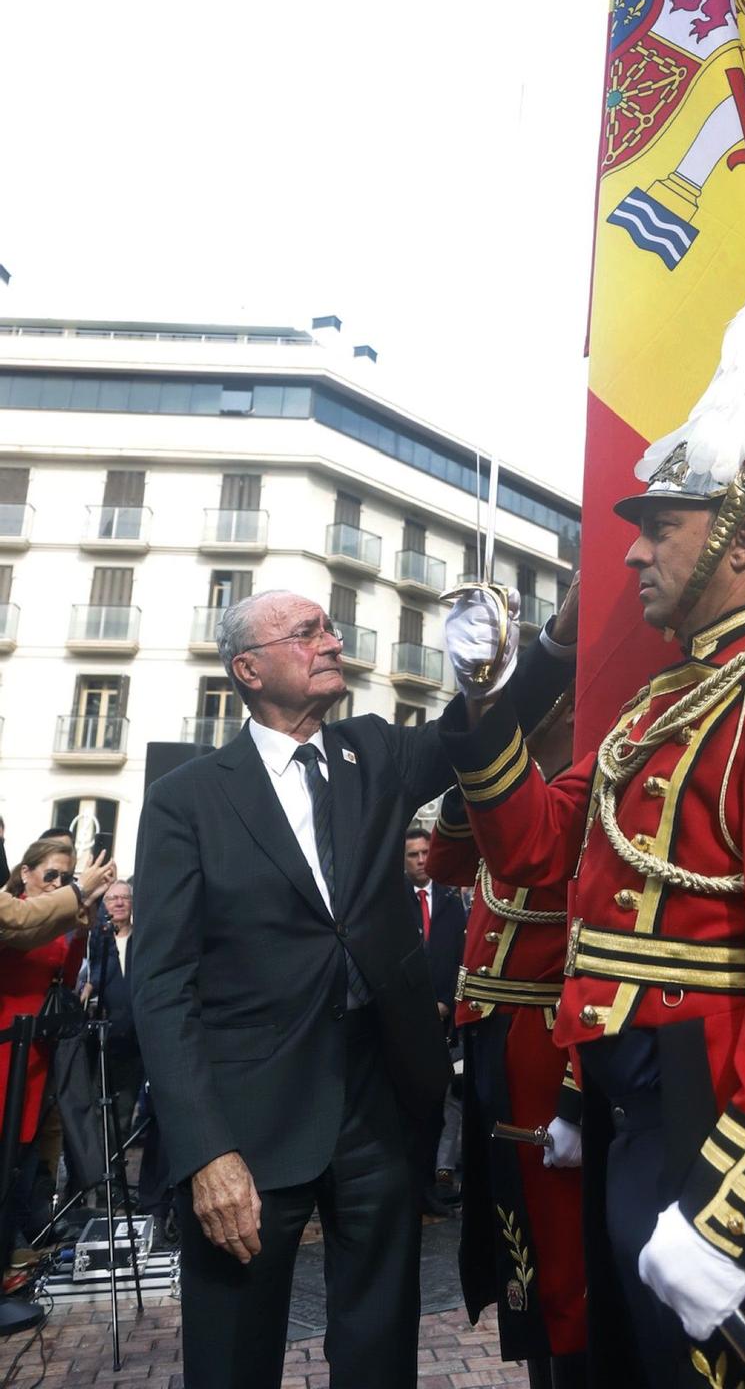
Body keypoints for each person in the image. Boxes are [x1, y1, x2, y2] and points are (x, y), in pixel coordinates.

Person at [441, 287, 745, 1389]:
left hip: (717, 1101)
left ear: (741, 539)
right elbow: (542, 860)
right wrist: (487, 706)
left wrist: (735, 1213)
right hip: (629, 1096)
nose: (636, 551)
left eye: (661, 527)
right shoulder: (658, 703)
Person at [131, 587, 575, 1389]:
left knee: (379, 1347)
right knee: (232, 1354)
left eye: (330, 627)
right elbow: (159, 985)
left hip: (378, 1108)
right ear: (249, 670)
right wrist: (204, 1152)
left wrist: (556, 639)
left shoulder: (371, 755)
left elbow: (471, 728)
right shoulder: (186, 800)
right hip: (250, 1124)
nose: (332, 642)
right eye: (307, 633)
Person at [428, 690, 587, 1389]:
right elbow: (445, 864)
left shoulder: (590, 792)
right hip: (496, 1040)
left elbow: (598, 954)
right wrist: (482, 773)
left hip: (550, 1045)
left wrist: (578, 1091)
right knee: (512, 1232)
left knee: (559, 1246)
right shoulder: (521, 789)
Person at [0, 837, 112, 1269]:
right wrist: (76, 894)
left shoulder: (53, 918)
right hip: (9, 1048)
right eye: (52, 875)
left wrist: (82, 924)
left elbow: (63, 978)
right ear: (25, 873)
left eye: (66, 876)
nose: (60, 883)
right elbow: (27, 929)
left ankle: (15, 1243)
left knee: (28, 1152)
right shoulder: (19, 914)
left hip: (39, 1053)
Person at [403, 824, 467, 1213]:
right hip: (407, 1023)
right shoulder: (394, 901)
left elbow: (458, 954)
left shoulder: (449, 899)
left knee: (447, 1104)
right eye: (413, 855)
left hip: (445, 1022)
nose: (421, 860)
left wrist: (446, 1002)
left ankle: (436, 1181)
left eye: (425, 853)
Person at [83, 880, 142, 1144]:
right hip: (103, 1037)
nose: (118, 903)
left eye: (124, 898)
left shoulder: (142, 940)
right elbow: (91, 977)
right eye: (112, 898)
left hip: (135, 1039)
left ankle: (114, 1171)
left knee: (124, 1111)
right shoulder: (98, 940)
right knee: (95, 1108)